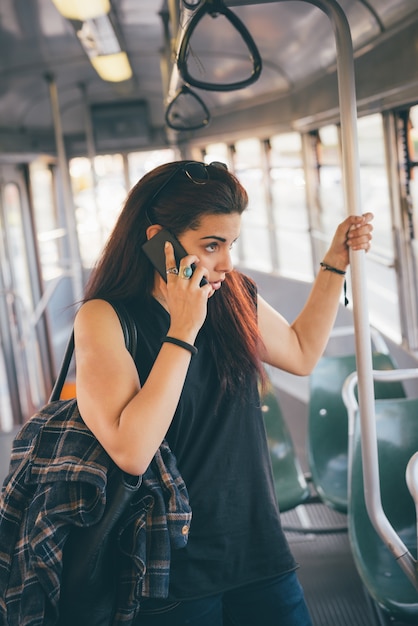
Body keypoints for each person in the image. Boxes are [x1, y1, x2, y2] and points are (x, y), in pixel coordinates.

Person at [74, 160, 373, 626]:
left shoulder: (234, 295)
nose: (226, 263)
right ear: (159, 240)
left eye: (231, 244)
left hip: (259, 551)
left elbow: (300, 352)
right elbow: (131, 450)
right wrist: (183, 329)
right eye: (211, 245)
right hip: (170, 573)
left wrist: (335, 262)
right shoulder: (106, 318)